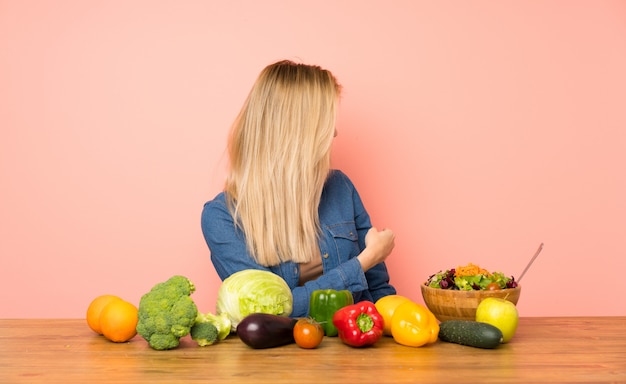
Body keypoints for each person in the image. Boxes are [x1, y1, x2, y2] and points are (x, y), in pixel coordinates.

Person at [201, 60, 396, 317]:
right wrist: (365, 260)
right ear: (299, 133)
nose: (335, 133)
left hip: (353, 346)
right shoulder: (222, 218)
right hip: (277, 356)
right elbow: (272, 311)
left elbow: (379, 291)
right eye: (326, 123)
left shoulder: (341, 188)